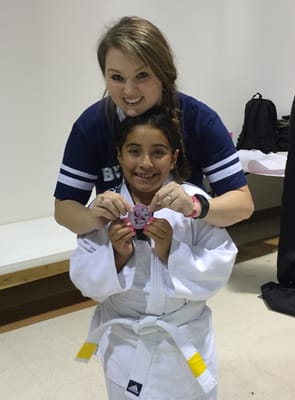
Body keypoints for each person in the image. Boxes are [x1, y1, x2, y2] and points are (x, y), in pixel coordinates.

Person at [69, 107, 238, 400]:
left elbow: (220, 265)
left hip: (185, 341)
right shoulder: (106, 208)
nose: (145, 163)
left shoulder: (193, 204)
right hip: (126, 344)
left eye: (158, 152)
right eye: (134, 151)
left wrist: (172, 252)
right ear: (119, 156)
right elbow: (83, 278)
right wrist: (115, 257)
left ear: (173, 157)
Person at [54, 16, 254, 235]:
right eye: (117, 77)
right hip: (120, 256)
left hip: (184, 252)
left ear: (164, 73)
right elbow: (64, 209)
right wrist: (93, 216)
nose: (129, 91)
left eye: (142, 75)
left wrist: (196, 206)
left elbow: (243, 205)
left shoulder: (200, 121)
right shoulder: (91, 126)